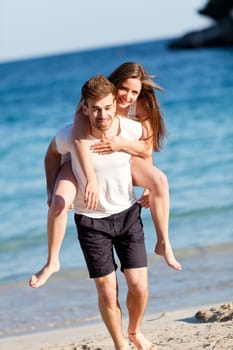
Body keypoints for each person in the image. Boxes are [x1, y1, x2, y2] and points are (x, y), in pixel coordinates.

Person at [29, 62, 181, 289]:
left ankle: (163, 243)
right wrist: (81, 180)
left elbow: (146, 148)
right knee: (59, 201)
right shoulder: (90, 105)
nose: (128, 97)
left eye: (134, 92)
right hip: (79, 160)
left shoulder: (140, 106)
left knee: (159, 180)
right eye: (124, 89)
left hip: (119, 157)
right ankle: (52, 262)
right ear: (113, 84)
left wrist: (144, 179)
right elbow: (79, 142)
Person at [41, 74, 157, 350]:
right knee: (107, 290)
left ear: (114, 105)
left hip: (128, 214)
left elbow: (147, 147)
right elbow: (51, 155)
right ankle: (120, 344)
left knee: (138, 286)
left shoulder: (128, 128)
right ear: (85, 108)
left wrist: (150, 184)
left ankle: (135, 330)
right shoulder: (70, 134)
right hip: (91, 222)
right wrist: (52, 189)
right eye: (95, 109)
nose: (102, 114)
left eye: (107, 107)